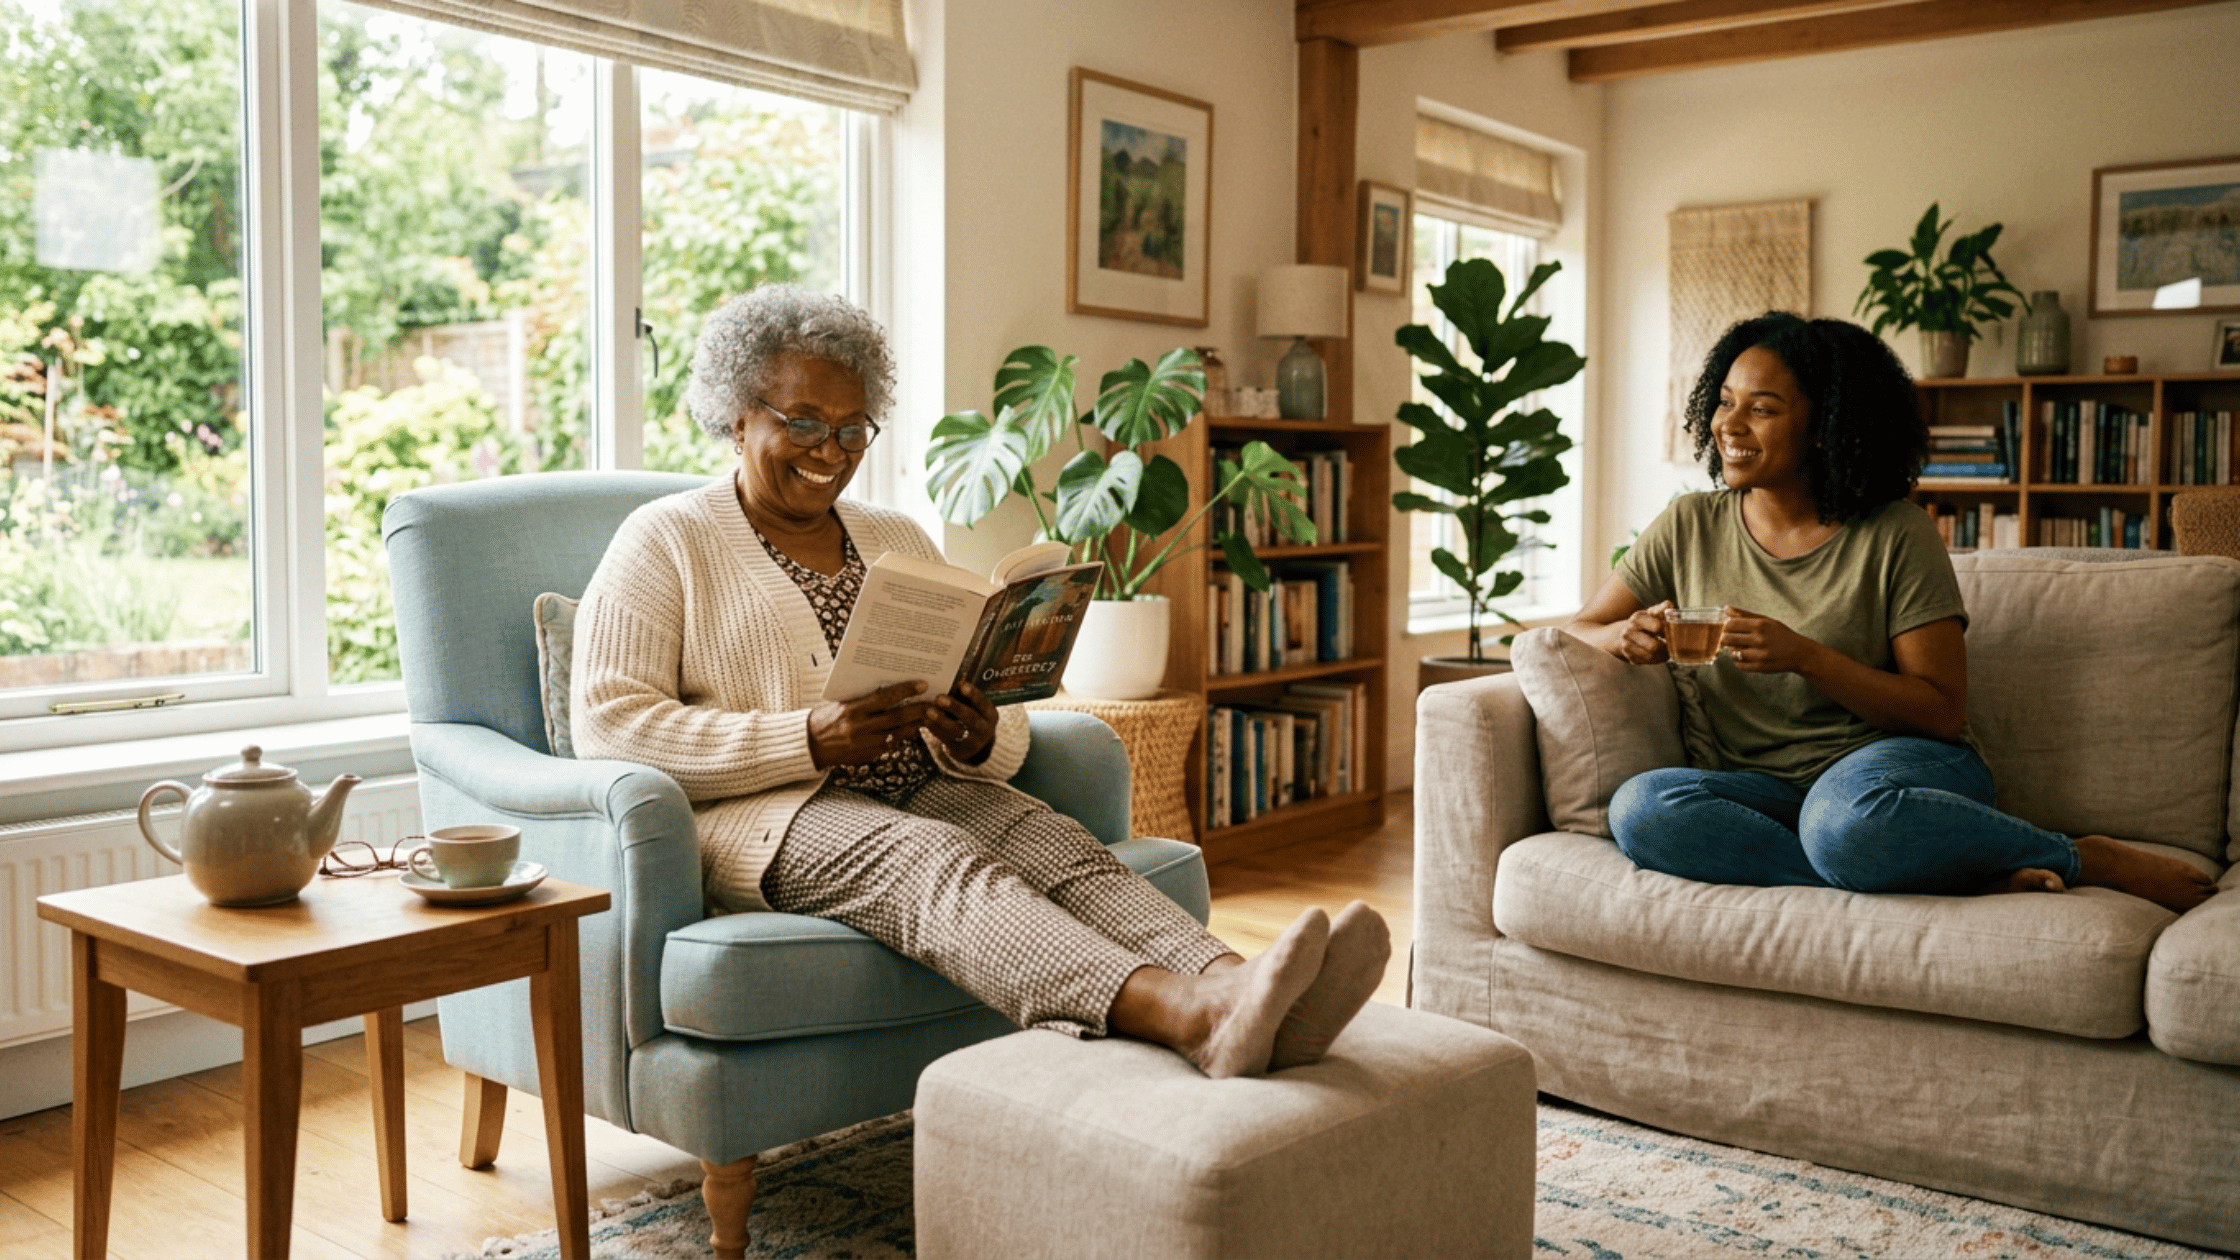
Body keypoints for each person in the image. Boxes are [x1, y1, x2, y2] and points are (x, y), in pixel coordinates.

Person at [570, 284, 1389, 1077]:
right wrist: (806, 736)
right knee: (934, 859)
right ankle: (1190, 1017)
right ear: (736, 415)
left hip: (920, 784)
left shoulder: (895, 534)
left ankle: (1242, 987)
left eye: (855, 430)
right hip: (774, 815)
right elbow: (607, 722)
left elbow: (992, 702)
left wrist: (980, 728)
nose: (831, 453)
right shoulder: (665, 540)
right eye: (805, 423)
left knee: (1054, 842)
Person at [1564, 312, 2215, 913]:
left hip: (1893, 778)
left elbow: (1939, 709)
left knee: (1844, 822)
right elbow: (1575, 628)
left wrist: (1806, 657)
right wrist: (1624, 634)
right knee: (1644, 808)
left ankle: (2077, 856)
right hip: (1770, 793)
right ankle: (1936, 871)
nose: (1728, 424)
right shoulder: (1688, 524)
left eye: (1762, 409)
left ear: (1824, 427)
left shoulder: (1895, 533)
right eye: (1725, 402)